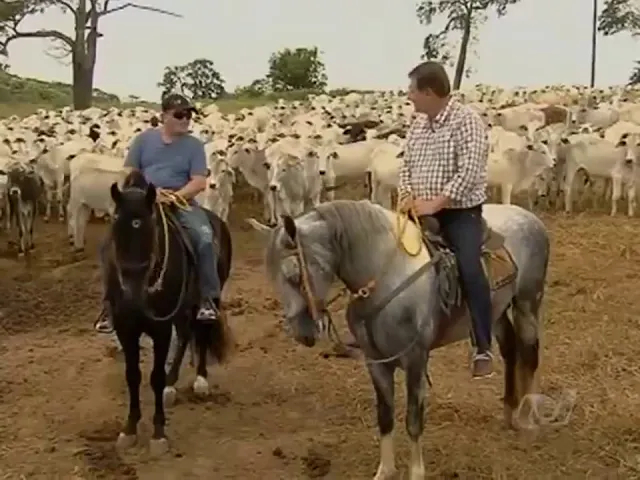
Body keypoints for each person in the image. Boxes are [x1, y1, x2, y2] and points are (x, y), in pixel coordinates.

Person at [398, 61, 494, 379]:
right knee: (384, 257)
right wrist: (407, 196)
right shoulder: (418, 125)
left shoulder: (466, 121)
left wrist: (436, 203)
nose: (409, 96)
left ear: (428, 92)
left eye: (413, 90)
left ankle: (482, 345)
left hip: (459, 212)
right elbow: (406, 166)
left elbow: (470, 170)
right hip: (417, 210)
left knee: (469, 267)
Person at [95, 93, 221, 332]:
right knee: (108, 244)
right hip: (143, 202)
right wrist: (139, 191)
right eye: (180, 115)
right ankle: (109, 304)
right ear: (164, 116)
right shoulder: (143, 140)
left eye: (189, 115)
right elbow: (129, 171)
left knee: (204, 238)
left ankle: (208, 298)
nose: (186, 119)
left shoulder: (194, 146)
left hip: (180, 202)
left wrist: (174, 196)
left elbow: (199, 181)